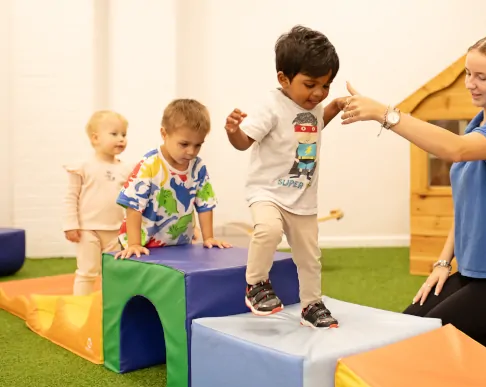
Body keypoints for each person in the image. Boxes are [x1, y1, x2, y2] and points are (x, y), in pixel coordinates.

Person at [340, 32, 486, 364]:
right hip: (477, 271)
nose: (471, 84)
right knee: (403, 332)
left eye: (482, 77)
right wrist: (443, 264)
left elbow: (454, 150)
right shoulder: (476, 126)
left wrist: (386, 114)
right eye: (468, 74)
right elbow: (465, 207)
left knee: (423, 346)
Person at [224, 25, 349, 328]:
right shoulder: (271, 106)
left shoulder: (314, 106)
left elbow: (314, 126)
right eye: (310, 84)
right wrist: (233, 132)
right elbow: (244, 143)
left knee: (310, 257)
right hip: (267, 192)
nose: (318, 93)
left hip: (303, 198)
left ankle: (311, 304)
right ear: (284, 78)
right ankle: (255, 284)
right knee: (267, 231)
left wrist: (333, 107)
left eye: (326, 85)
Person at [114, 98, 230, 259]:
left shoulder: (198, 167)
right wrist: (134, 244)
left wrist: (208, 237)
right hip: (141, 243)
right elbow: (133, 206)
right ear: (164, 134)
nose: (191, 151)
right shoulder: (149, 165)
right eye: (184, 144)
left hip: (178, 244)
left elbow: (205, 204)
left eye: (198, 145)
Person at [63, 110, 133, 295]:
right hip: (88, 229)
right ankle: (81, 306)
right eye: (114, 134)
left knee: (113, 272)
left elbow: (132, 200)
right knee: (87, 271)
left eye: (124, 135)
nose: (121, 139)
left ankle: (109, 306)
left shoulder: (126, 169)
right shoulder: (83, 167)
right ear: (95, 138)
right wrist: (71, 224)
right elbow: (71, 197)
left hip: (116, 230)